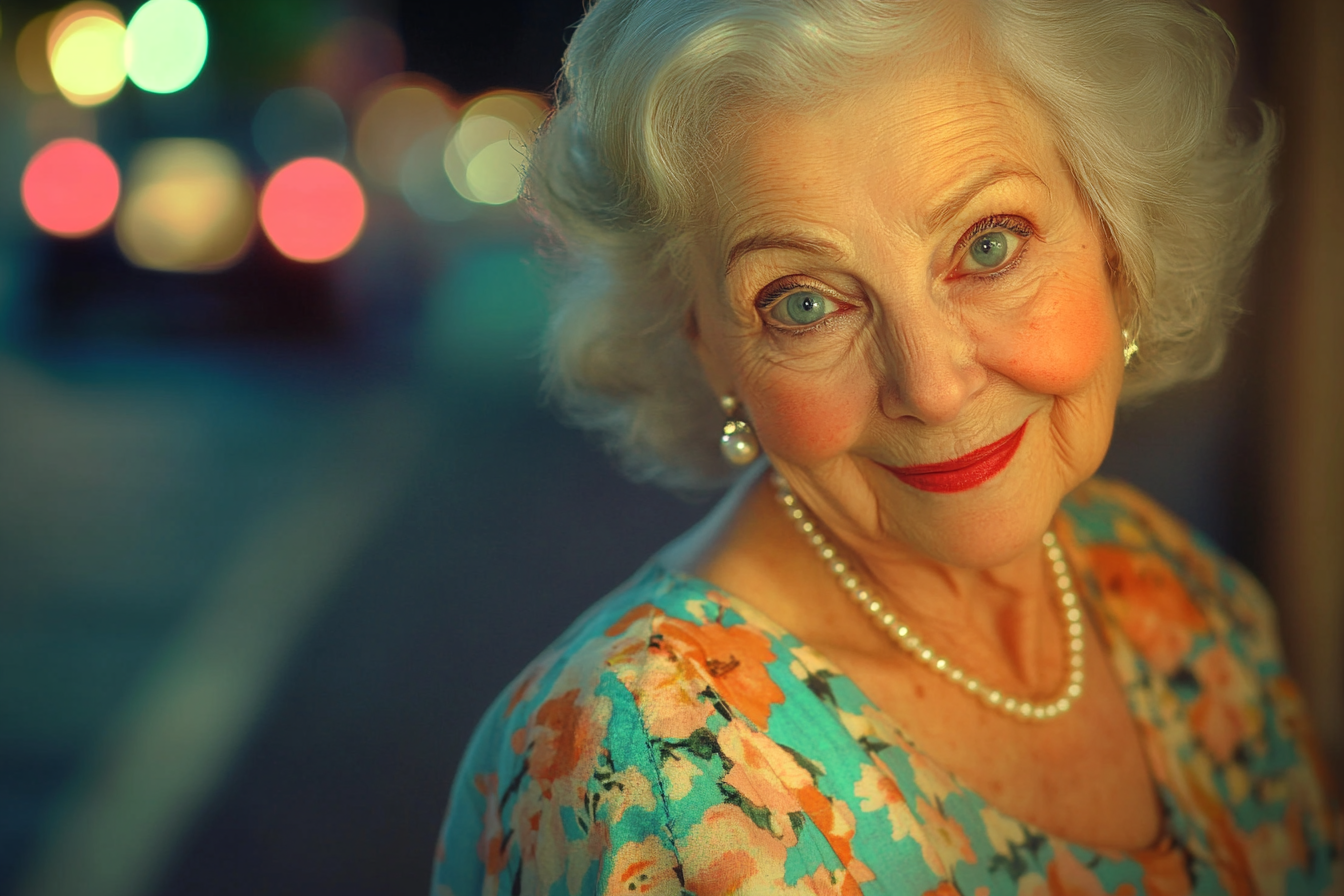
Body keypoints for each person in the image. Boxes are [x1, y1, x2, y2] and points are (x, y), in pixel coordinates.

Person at [433, 0, 1342, 892]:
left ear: (1114, 239)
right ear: (702, 342)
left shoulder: (1178, 595)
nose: (932, 385)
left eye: (989, 245)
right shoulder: (650, 778)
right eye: (803, 302)